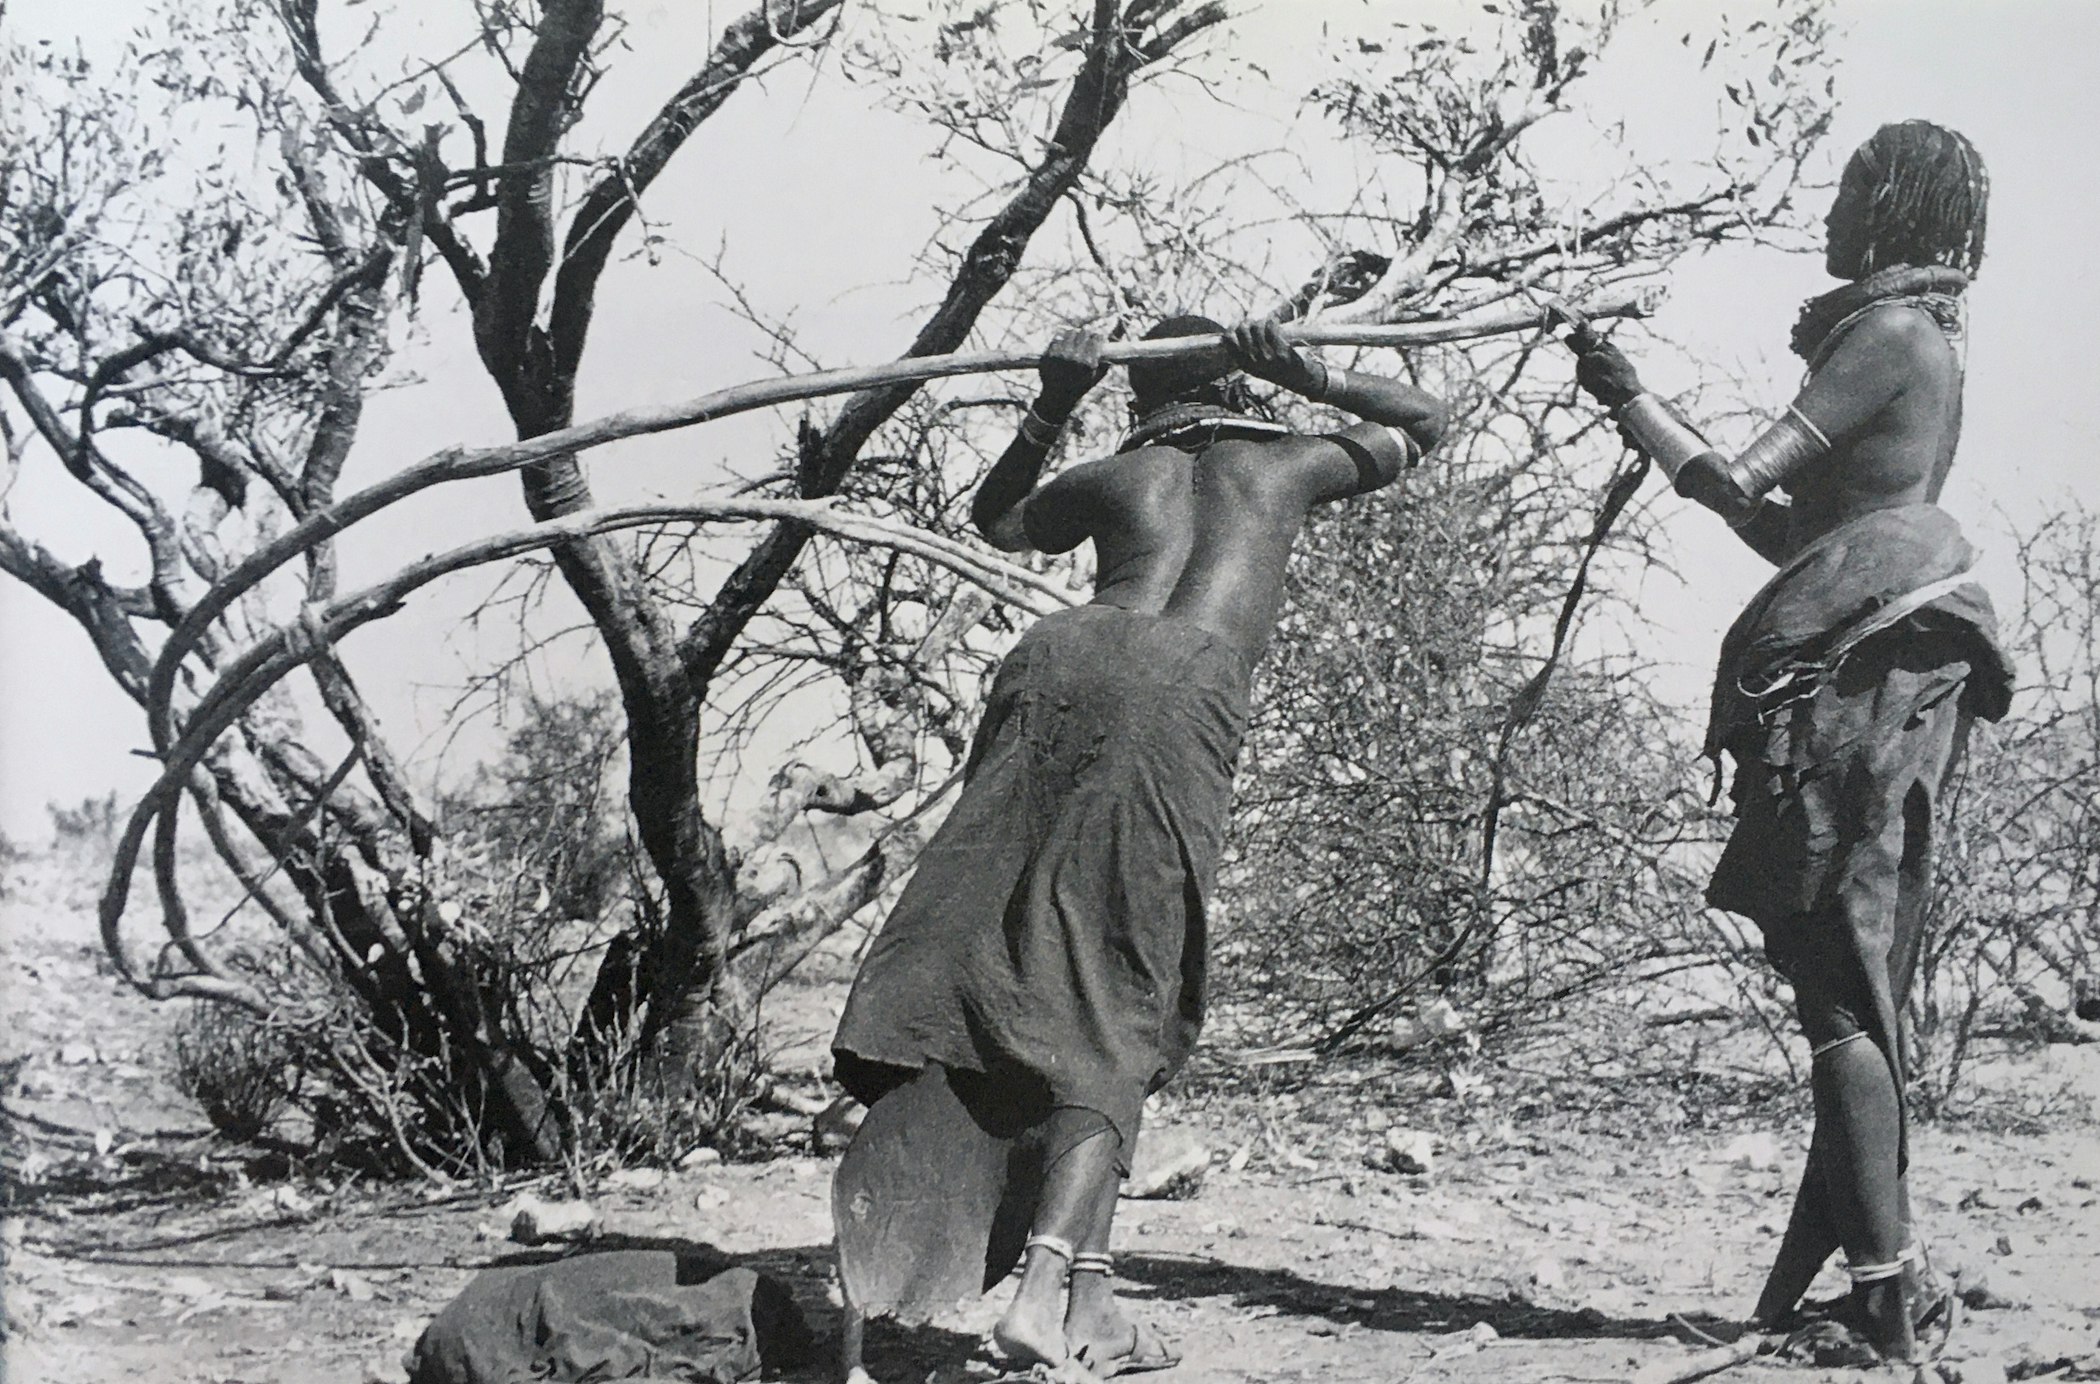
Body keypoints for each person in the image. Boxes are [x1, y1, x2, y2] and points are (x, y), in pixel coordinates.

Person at [829, 314, 1447, 1378]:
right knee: (1121, 980)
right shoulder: (1286, 467)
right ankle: (1039, 1284)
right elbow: (1430, 420)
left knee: (1002, 942)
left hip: (1060, 666)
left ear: (1139, 397)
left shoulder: (1121, 472)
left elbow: (1004, 520)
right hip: (1179, 689)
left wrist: (1050, 398)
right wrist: (1318, 374)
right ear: (1243, 388)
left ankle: (1096, 1299)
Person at [1569, 121, 2015, 1364]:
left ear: (1890, 212)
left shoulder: (1884, 337)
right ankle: (1809, 1297)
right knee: (1853, 990)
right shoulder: (1926, 347)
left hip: (1861, 685)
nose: (1828, 215)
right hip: (1889, 666)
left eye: (1849, 194)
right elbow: (1792, 535)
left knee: (1840, 999)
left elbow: (1733, 484)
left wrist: (1630, 395)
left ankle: (1884, 1300)